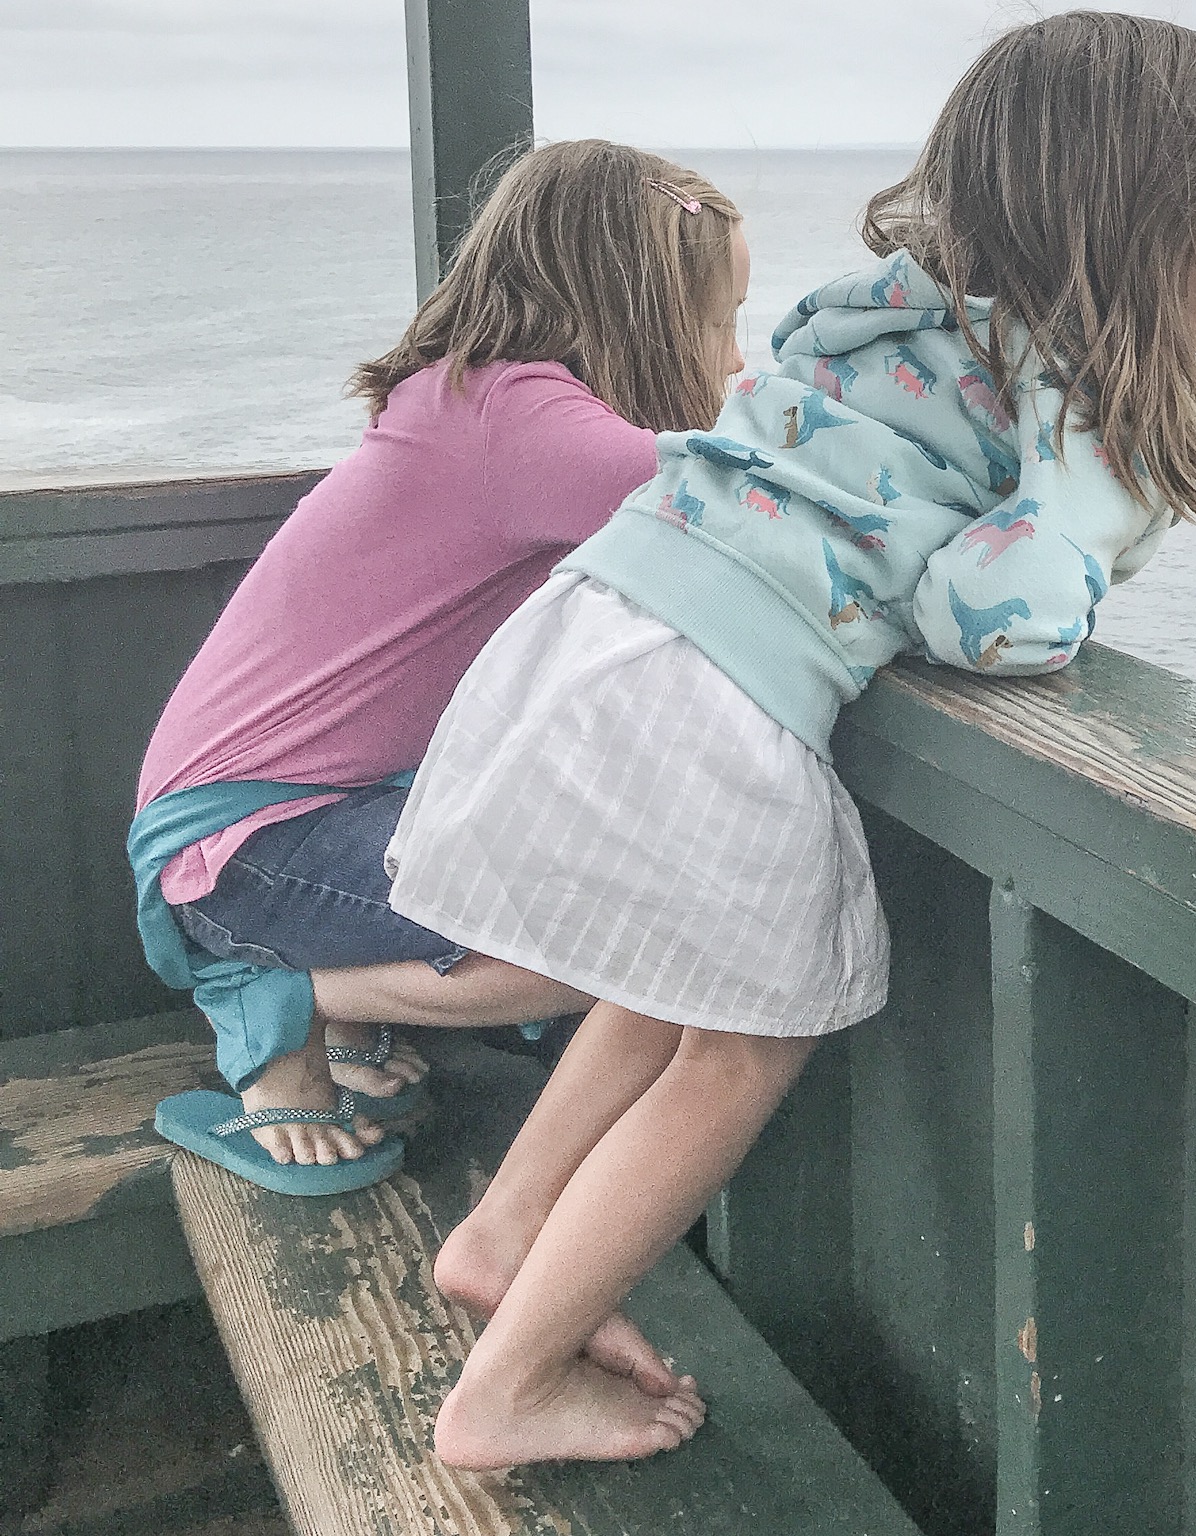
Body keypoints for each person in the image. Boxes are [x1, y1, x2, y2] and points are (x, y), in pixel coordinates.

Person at [378, 10, 1196, 1466]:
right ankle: (508, 1388)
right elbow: (984, 616)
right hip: (718, 684)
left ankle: (504, 1236)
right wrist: (1090, 516)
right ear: (1144, 221)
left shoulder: (896, 311)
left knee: (672, 981)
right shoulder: (1064, 407)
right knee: (751, 1046)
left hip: (608, 619)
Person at [134, 140, 747, 1215]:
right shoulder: (520, 422)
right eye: (718, 320)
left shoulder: (474, 399)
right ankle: (283, 996)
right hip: (244, 847)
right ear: (638, 306)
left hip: (306, 810)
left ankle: (344, 1012)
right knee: (621, 941)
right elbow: (746, 514)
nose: (735, 358)